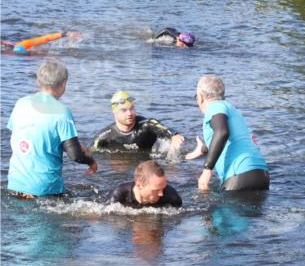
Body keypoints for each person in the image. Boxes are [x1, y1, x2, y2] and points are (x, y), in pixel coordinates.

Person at [6, 60, 97, 198]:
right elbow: (75, 156)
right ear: (64, 83)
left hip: (15, 184)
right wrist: (91, 162)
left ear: (38, 81)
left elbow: (33, 137)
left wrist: (74, 146)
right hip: (45, 189)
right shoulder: (62, 112)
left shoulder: (21, 103)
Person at [187, 74, 269, 192]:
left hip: (239, 174)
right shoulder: (231, 109)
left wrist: (206, 170)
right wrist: (202, 149)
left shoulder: (214, 107)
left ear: (200, 97)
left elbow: (222, 133)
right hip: (262, 175)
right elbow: (225, 137)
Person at [91, 91, 185, 153]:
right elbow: (92, 152)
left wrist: (175, 136)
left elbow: (166, 130)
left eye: (132, 109)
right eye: (124, 110)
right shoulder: (105, 135)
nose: (129, 113)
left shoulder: (146, 125)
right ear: (115, 113)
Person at [104, 160, 182, 208]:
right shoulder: (119, 195)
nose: (161, 194)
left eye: (163, 188)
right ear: (139, 185)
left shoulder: (171, 196)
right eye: (156, 190)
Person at [1, 31, 81, 54]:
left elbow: (46, 39)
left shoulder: (24, 45)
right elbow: (46, 38)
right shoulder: (24, 45)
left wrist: (65, 34)